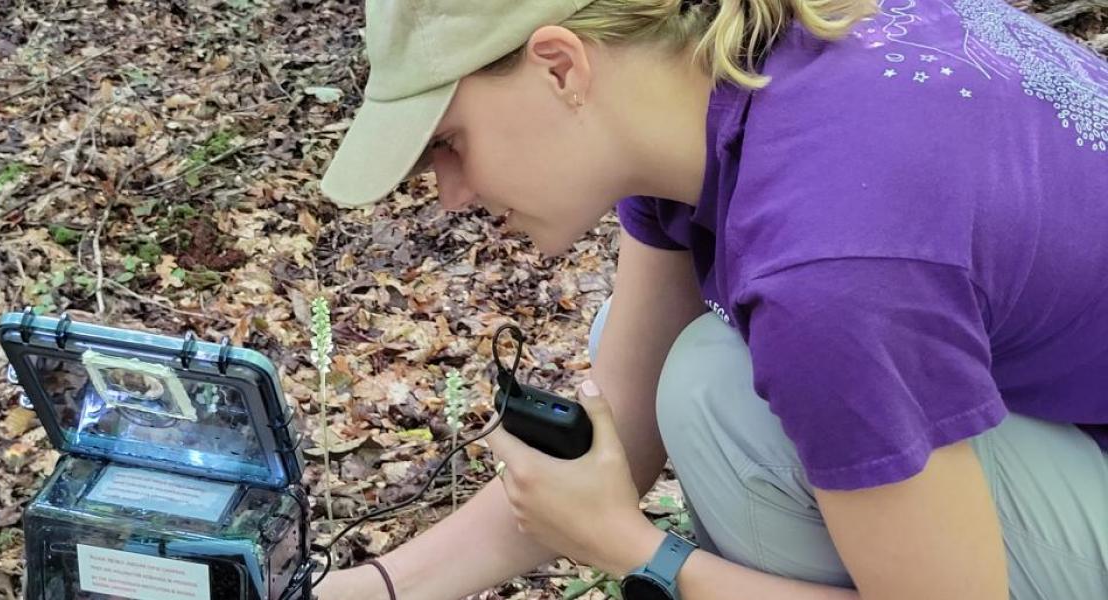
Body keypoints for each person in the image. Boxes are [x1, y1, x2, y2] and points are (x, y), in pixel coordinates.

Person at [312, 0, 1108, 599]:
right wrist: (375, 589)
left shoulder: (830, 261)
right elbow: (621, 425)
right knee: (682, 353)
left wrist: (637, 553)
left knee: (720, 392)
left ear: (561, 67)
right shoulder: (737, 82)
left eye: (448, 145)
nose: (449, 196)